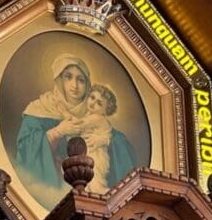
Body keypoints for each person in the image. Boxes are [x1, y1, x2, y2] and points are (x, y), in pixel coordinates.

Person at [15, 55, 137, 199]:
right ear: (59, 79)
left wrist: (106, 141)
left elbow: (119, 142)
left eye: (81, 80)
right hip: (53, 187)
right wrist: (57, 132)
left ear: (87, 84)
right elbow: (25, 148)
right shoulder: (41, 108)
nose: (75, 85)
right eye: (68, 77)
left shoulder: (93, 112)